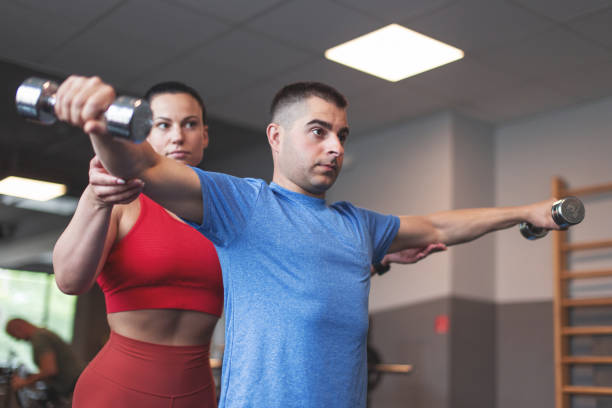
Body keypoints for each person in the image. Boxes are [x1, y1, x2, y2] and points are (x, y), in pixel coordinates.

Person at [51, 75, 560, 408]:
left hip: (195, 389)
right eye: (318, 132)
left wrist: (524, 212)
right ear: (276, 136)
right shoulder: (234, 204)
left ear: (205, 135)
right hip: (127, 383)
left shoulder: (353, 225)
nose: (335, 147)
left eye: (342, 135)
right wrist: (100, 124)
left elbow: (435, 227)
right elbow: (135, 165)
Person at [52, 81, 223, 408]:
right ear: (141, 134)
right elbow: (69, 280)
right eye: (163, 124)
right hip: (117, 391)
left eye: (190, 124)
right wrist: (96, 198)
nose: (177, 136)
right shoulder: (120, 199)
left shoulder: (225, 212)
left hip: (198, 395)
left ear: (204, 135)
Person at [5, 318, 84, 404]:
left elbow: (49, 370)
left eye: (14, 336)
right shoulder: (43, 334)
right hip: (74, 385)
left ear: (19, 328)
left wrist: (24, 382)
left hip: (74, 387)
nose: (17, 340)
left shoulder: (40, 338)